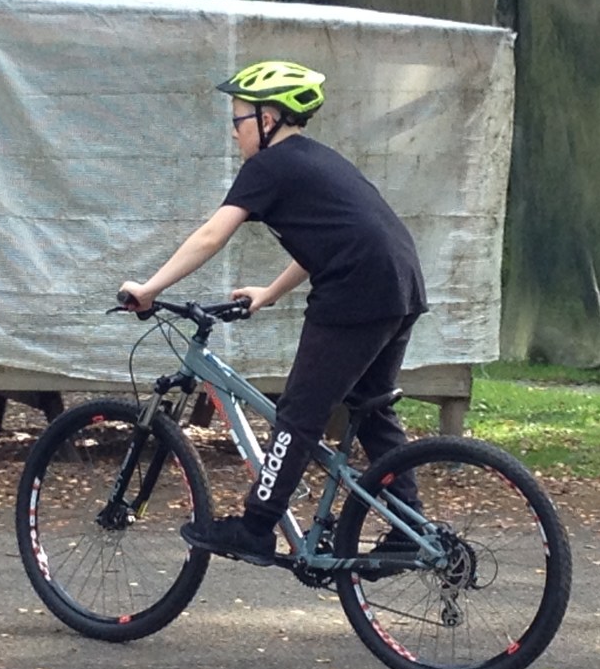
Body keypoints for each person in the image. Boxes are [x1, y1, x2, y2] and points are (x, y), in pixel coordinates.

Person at [119, 60, 427, 566]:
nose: (234, 131)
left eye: (238, 119)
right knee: (369, 408)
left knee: (299, 414)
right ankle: (411, 528)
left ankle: (256, 527)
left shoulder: (268, 166)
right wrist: (271, 292)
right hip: (400, 285)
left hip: (355, 292)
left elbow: (211, 236)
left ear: (267, 120)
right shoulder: (314, 161)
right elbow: (334, 238)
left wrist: (149, 289)